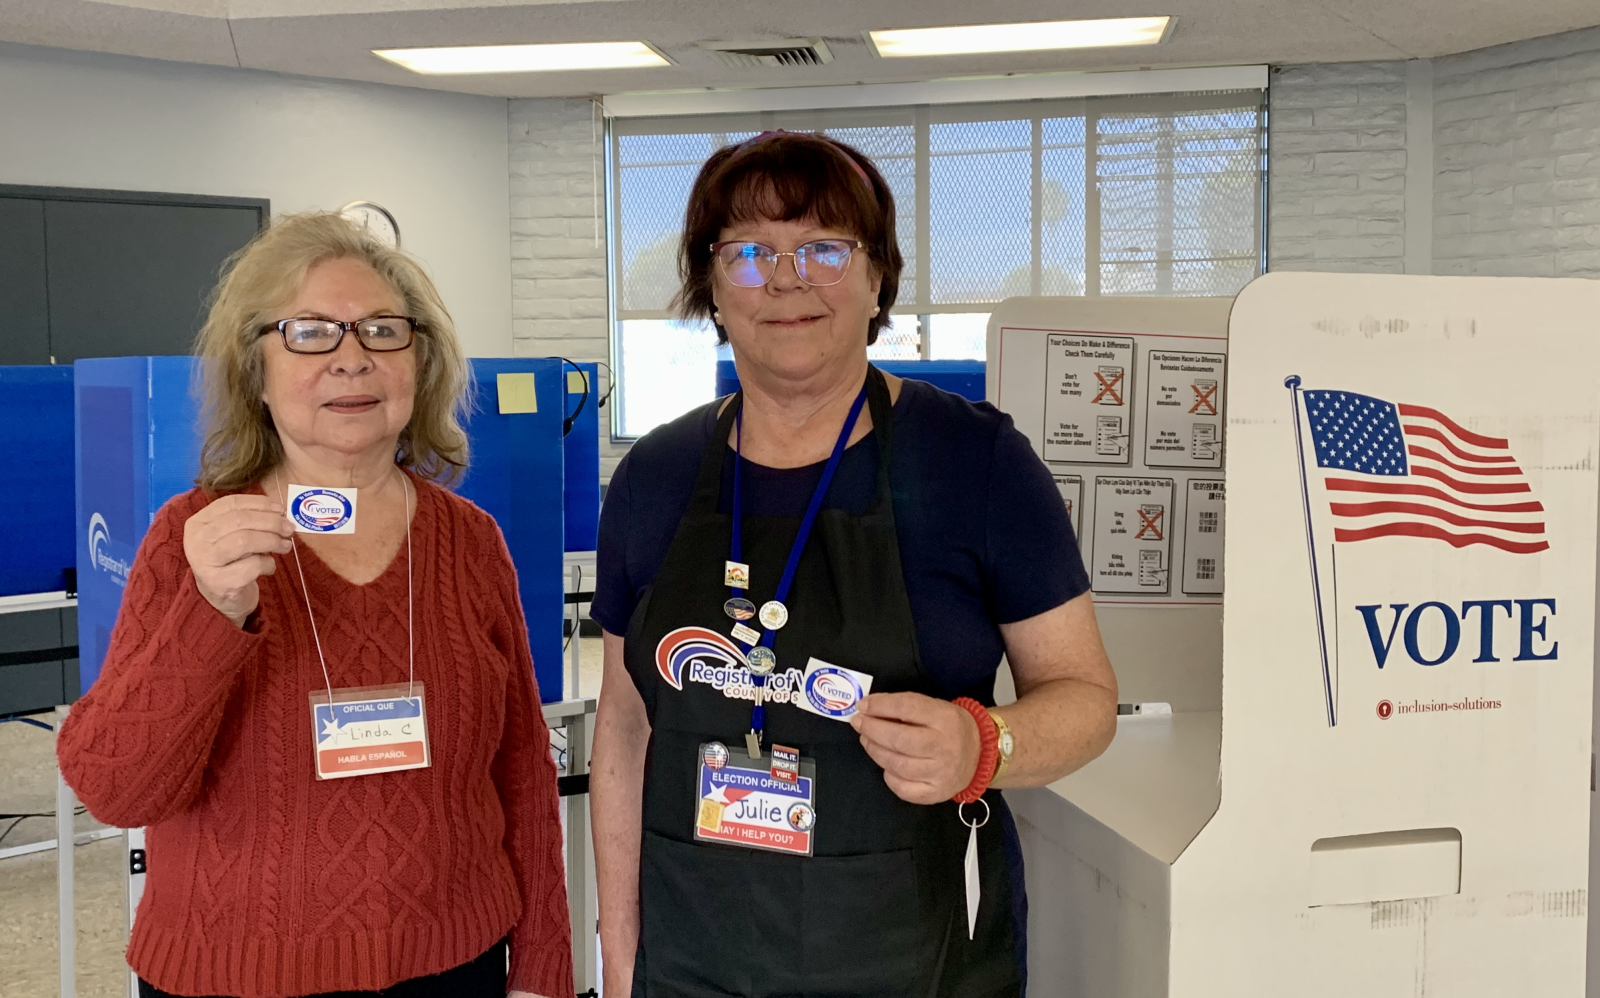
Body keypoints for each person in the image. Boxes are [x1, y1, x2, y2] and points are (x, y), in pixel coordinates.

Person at [590, 131, 1118, 997]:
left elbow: (1087, 699)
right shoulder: (655, 475)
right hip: (694, 959)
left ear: (878, 280)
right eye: (751, 252)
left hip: (913, 956)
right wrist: (619, 953)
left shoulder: (972, 462)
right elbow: (623, 728)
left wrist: (984, 745)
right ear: (712, 288)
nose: (787, 278)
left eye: (825, 248)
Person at [57, 212, 572, 998]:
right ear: (254, 372)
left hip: (454, 962)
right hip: (235, 976)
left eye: (381, 331)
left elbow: (522, 774)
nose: (352, 359)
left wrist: (543, 970)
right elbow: (118, 791)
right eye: (309, 334)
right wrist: (212, 611)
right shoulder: (190, 540)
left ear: (420, 362)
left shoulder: (471, 540)